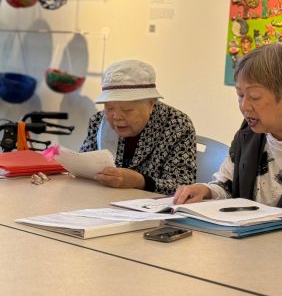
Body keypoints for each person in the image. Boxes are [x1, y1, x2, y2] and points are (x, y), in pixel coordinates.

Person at [173, 43, 282, 227]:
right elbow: (228, 186)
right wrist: (206, 190)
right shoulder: (251, 131)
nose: (244, 106)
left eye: (254, 97)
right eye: (240, 95)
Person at [80, 59, 197, 195]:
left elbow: (184, 185)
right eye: (109, 107)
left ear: (151, 104)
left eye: (127, 109)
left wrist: (141, 181)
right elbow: (84, 167)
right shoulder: (99, 121)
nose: (116, 116)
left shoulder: (177, 125)